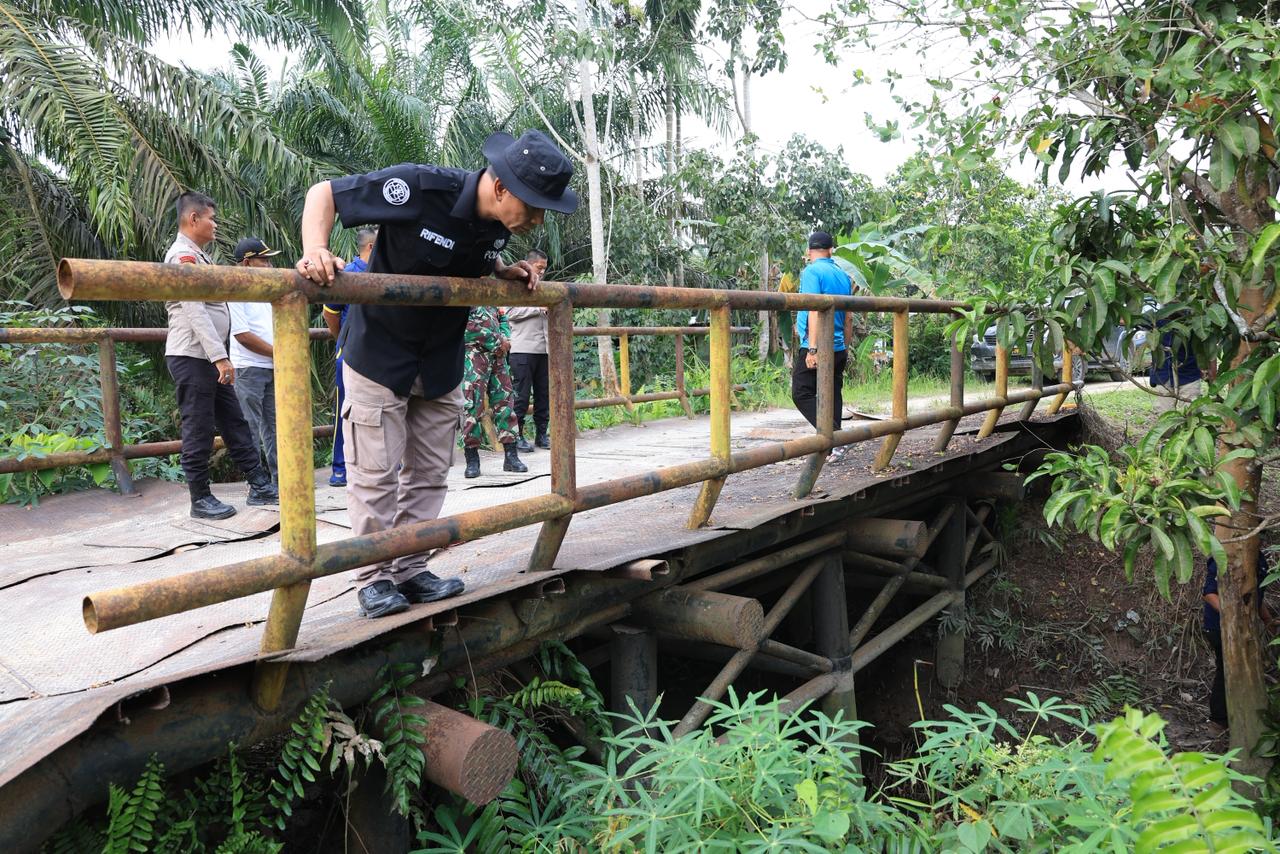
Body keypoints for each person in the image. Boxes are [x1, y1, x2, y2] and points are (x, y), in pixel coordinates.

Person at [294, 129, 578, 619]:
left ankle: (410, 567)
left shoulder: (496, 225)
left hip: (441, 361)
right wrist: (317, 249)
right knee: (375, 471)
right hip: (380, 355)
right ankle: (374, 576)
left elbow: (467, 256)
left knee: (429, 472)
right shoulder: (420, 187)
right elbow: (325, 194)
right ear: (501, 188)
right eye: (533, 207)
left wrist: (501, 270)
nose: (537, 219)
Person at [164, 192, 279, 520]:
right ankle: (199, 498)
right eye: (212, 218)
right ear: (193, 219)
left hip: (210, 356)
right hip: (193, 356)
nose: (216, 225)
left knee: (235, 421)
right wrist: (220, 357)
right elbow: (194, 310)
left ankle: (259, 484)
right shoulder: (182, 257)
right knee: (198, 425)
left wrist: (218, 355)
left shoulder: (201, 256)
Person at [322, 226, 378, 487]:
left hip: (381, 356)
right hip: (351, 354)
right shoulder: (348, 274)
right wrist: (343, 339)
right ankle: (340, 468)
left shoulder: (386, 274)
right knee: (345, 409)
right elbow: (330, 313)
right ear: (370, 247)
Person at [791, 231, 851, 458]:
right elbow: (848, 316)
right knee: (833, 391)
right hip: (837, 346)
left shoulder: (811, 271)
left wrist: (812, 349)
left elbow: (814, 309)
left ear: (808, 251)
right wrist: (844, 345)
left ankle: (834, 436)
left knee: (801, 392)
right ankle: (838, 443)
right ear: (831, 250)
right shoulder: (842, 274)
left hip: (817, 344)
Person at [228, 238, 282, 484]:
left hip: (272, 365)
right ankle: (256, 484)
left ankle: (280, 480)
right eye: (264, 260)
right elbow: (242, 336)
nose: (270, 266)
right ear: (248, 263)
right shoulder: (237, 291)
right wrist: (280, 353)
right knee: (249, 427)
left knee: (275, 427)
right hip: (248, 367)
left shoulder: (267, 290)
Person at [1203, 552, 1275, 725]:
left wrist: (1267, 619)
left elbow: (1256, 596)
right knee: (1226, 668)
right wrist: (1234, 615)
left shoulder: (1259, 558)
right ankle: (1219, 720)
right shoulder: (1223, 557)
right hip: (1219, 627)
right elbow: (1209, 594)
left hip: (1242, 626)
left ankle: (1240, 713)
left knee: (1242, 667)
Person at [462, 306, 528, 477]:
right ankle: (472, 459)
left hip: (498, 357)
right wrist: (498, 342)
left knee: (506, 402)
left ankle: (511, 456)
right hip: (473, 356)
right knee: (471, 405)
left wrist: (504, 339)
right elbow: (466, 325)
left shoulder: (492, 296)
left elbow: (503, 318)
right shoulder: (465, 293)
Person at [506, 249, 551, 452]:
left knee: (544, 395)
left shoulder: (545, 288)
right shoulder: (516, 286)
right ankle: (518, 436)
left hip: (545, 350)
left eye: (544, 269)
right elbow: (510, 312)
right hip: (523, 349)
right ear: (528, 265)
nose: (541, 272)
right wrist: (536, 308)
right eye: (538, 268)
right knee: (521, 395)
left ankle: (542, 435)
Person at [1150, 322, 1204, 412]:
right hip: (1163, 377)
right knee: (1165, 418)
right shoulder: (1156, 321)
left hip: (1189, 376)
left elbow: (1206, 345)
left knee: (1192, 415)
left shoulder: (1194, 321)